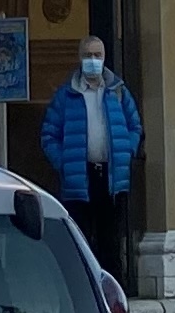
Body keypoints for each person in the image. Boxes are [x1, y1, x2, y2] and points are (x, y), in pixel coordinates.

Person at [39, 37, 144, 291]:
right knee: (82, 241)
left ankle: (115, 297)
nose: (93, 60)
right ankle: (86, 294)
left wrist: (126, 151)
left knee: (111, 242)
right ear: (80, 57)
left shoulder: (117, 91)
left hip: (111, 178)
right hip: (78, 179)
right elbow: (48, 134)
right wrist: (63, 162)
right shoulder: (67, 95)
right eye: (88, 55)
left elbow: (135, 126)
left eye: (97, 55)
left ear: (104, 57)